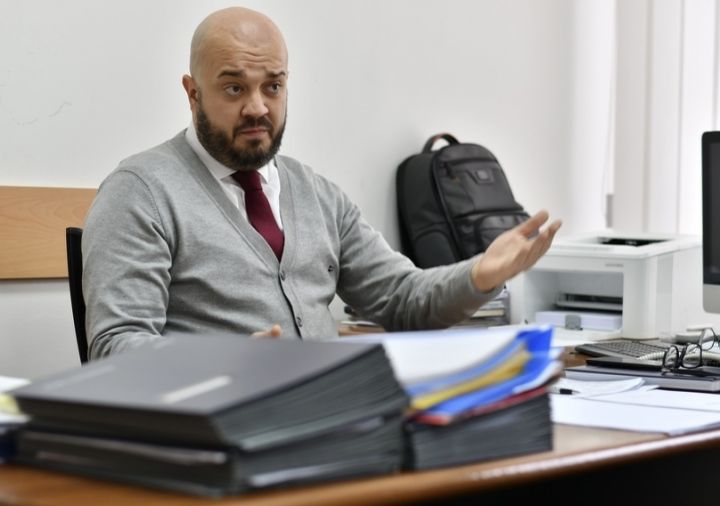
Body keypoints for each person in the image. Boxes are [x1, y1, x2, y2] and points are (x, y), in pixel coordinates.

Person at [82, 6, 561, 359]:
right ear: (192, 93)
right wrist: (226, 364)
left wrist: (480, 274)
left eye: (273, 86)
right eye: (234, 87)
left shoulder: (317, 194)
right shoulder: (140, 192)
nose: (257, 107)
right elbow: (116, 345)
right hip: (223, 435)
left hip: (331, 421)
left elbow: (402, 299)